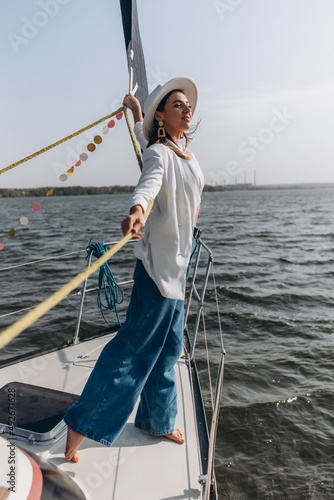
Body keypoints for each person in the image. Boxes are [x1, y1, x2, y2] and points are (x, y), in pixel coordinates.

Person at [64, 76, 204, 462]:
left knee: (169, 349)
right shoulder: (160, 152)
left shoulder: (178, 151)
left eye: (187, 105)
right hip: (159, 268)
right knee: (133, 351)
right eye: (177, 104)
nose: (187, 108)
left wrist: (138, 113)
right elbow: (148, 181)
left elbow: (152, 149)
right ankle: (82, 423)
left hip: (180, 265)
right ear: (163, 115)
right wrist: (136, 211)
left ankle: (157, 420)